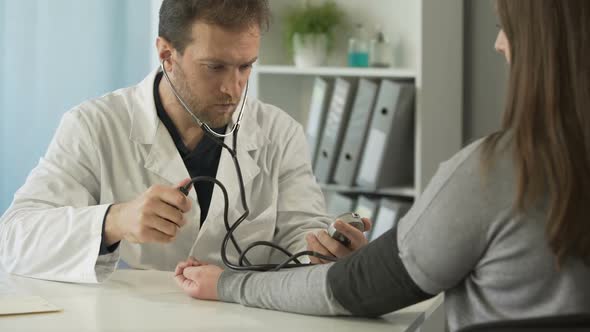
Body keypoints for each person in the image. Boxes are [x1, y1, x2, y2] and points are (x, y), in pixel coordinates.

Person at [173, 1, 590, 330]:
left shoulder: (494, 172)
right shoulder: (107, 119)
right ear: (167, 55)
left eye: (506, 27)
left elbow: (355, 288)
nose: (499, 43)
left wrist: (228, 284)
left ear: (542, 43)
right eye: (217, 66)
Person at [0, 0, 371, 283]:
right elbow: (13, 239)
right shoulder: (94, 125)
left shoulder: (279, 132)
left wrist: (324, 251)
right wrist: (114, 221)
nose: (234, 88)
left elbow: (299, 234)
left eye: (245, 66)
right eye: (215, 67)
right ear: (166, 55)